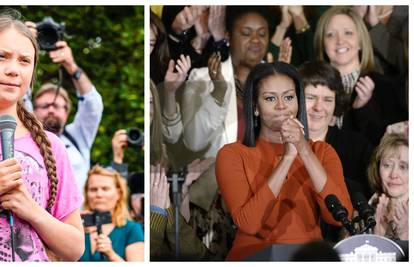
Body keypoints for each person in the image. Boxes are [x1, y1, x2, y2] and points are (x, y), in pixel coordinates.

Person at [216, 61, 352, 261]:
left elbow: (340, 215)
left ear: (298, 103)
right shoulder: (233, 155)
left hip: (308, 258)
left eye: (288, 97)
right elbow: (250, 223)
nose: (281, 106)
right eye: (270, 98)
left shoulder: (321, 152)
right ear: (255, 106)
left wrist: (303, 151)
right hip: (253, 257)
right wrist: (287, 158)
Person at [0, 11, 84, 261]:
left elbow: (75, 249)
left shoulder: (51, 145)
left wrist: (33, 211)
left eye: (25, 61)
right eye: (1, 56)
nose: (13, 69)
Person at [314, 6, 404, 146]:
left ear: (361, 41)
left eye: (348, 33)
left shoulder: (386, 87)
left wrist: (362, 110)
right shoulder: (309, 85)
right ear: (322, 42)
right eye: (331, 34)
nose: (340, 41)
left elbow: (387, 148)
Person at [28, 26, 103, 192]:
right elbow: (19, 96)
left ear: (67, 111)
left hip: (77, 216)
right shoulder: (25, 138)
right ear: (32, 110)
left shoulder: (78, 137)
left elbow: (93, 105)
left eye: (56, 106)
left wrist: (71, 66)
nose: (51, 110)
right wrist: (25, 45)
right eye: (45, 106)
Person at [79, 165, 144, 261]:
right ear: (86, 193)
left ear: (119, 194)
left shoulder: (131, 229)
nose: (99, 194)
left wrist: (111, 255)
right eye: (93, 189)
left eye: (105, 189)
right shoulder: (78, 227)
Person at [366, 133, 408, 241]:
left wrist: (405, 239)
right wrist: (377, 239)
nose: (393, 174)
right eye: (387, 165)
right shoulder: (364, 213)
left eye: (403, 167)